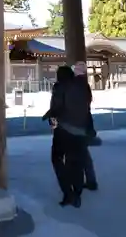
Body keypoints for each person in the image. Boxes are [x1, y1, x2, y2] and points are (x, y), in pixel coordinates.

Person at [42, 64, 91, 208]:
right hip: (81, 129)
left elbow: (57, 107)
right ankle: (77, 191)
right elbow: (87, 106)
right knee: (76, 161)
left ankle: (68, 192)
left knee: (57, 158)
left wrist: (50, 117)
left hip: (64, 129)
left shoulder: (60, 86)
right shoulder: (83, 86)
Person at [73, 61, 99, 191]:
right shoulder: (85, 85)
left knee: (79, 153)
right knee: (82, 152)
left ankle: (87, 180)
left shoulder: (76, 85)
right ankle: (90, 179)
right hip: (85, 121)